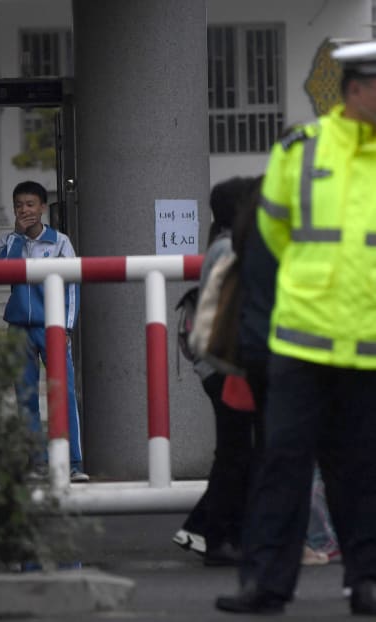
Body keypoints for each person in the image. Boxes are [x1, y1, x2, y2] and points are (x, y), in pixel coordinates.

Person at [216, 41, 376, 615]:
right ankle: (265, 584)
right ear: (356, 89)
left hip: (369, 352)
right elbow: (270, 244)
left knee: (363, 472)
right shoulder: (300, 150)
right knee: (281, 467)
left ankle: (367, 581)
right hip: (301, 345)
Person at [173, 177, 258, 565]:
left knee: (237, 452)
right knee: (236, 453)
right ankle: (211, 533)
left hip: (222, 366)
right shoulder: (228, 249)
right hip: (227, 366)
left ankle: (209, 531)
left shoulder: (221, 245)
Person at [0, 181, 87, 483]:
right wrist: (18, 239)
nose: (25, 210)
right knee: (25, 395)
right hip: (19, 328)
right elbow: (1, 271)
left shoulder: (60, 242)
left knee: (64, 393)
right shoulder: (9, 242)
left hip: (53, 326)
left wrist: (67, 326)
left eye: (31, 204)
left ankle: (72, 462)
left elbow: (73, 285)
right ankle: (37, 463)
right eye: (19, 204)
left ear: (43, 207)